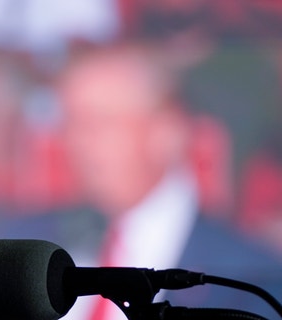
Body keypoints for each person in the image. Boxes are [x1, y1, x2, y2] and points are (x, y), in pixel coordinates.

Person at [55, 43, 282, 320]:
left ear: (167, 131)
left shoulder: (251, 278)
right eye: (70, 123)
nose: (77, 142)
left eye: (99, 123)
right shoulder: (33, 251)